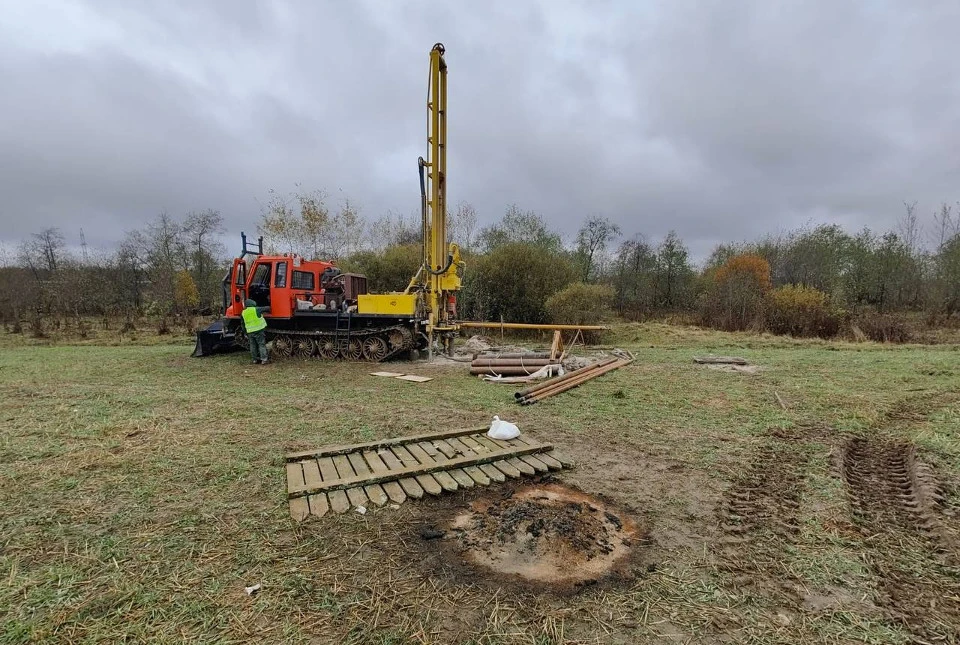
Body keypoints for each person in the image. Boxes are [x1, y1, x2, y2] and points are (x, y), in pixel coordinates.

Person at [241, 299, 271, 364]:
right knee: (261, 344)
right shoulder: (256, 309)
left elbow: (242, 324)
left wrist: (245, 332)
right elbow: (267, 308)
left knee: (252, 345)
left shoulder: (243, 312)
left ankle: (255, 359)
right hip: (258, 330)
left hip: (250, 332)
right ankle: (264, 359)